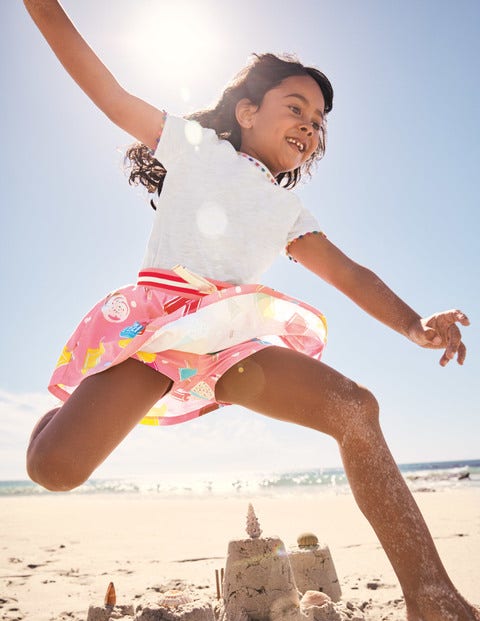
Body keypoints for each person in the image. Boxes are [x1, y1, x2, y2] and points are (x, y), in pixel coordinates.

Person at [23, 2, 477, 620]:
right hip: (157, 329)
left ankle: (432, 597)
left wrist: (414, 326)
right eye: (296, 107)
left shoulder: (289, 213)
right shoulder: (194, 147)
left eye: (318, 121)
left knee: (357, 408)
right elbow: (104, 87)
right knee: (55, 470)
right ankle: (53, 421)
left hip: (233, 341)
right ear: (247, 110)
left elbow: (349, 274)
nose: (310, 126)